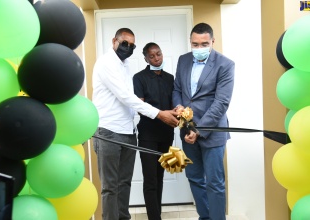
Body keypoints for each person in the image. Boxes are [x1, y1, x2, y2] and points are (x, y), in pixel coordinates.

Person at [92, 28, 178, 220]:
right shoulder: (106, 63)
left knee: (124, 183)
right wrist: (159, 114)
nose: (128, 48)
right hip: (108, 131)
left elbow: (131, 100)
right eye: (124, 44)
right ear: (114, 41)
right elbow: (125, 97)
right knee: (110, 187)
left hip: (128, 131)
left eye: (132, 45)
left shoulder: (126, 66)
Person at [173, 23, 235, 220]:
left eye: (204, 44)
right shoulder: (183, 60)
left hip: (212, 132)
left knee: (214, 183)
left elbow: (221, 102)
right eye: (195, 44)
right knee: (194, 178)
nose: (199, 48)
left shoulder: (225, 65)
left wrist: (199, 130)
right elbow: (177, 89)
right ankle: (205, 217)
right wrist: (178, 106)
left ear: (212, 42)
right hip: (186, 131)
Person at [133, 42, 174, 220]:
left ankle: (157, 215)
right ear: (145, 59)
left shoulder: (170, 78)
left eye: (158, 54)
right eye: (152, 56)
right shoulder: (139, 78)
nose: (156, 58)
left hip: (166, 135)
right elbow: (140, 107)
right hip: (147, 136)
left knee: (160, 176)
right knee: (150, 180)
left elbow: (175, 104)